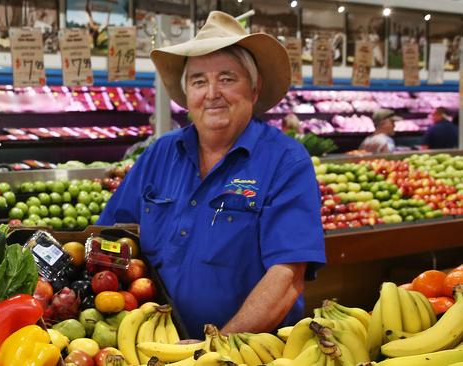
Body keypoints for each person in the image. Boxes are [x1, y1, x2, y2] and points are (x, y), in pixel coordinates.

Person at [97, 11, 325, 338]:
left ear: (255, 87)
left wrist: (215, 352)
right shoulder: (159, 154)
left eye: (227, 78)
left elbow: (287, 276)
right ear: (188, 94)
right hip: (152, 348)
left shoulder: (285, 162)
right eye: (199, 81)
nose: (212, 92)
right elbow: (111, 239)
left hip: (250, 354)